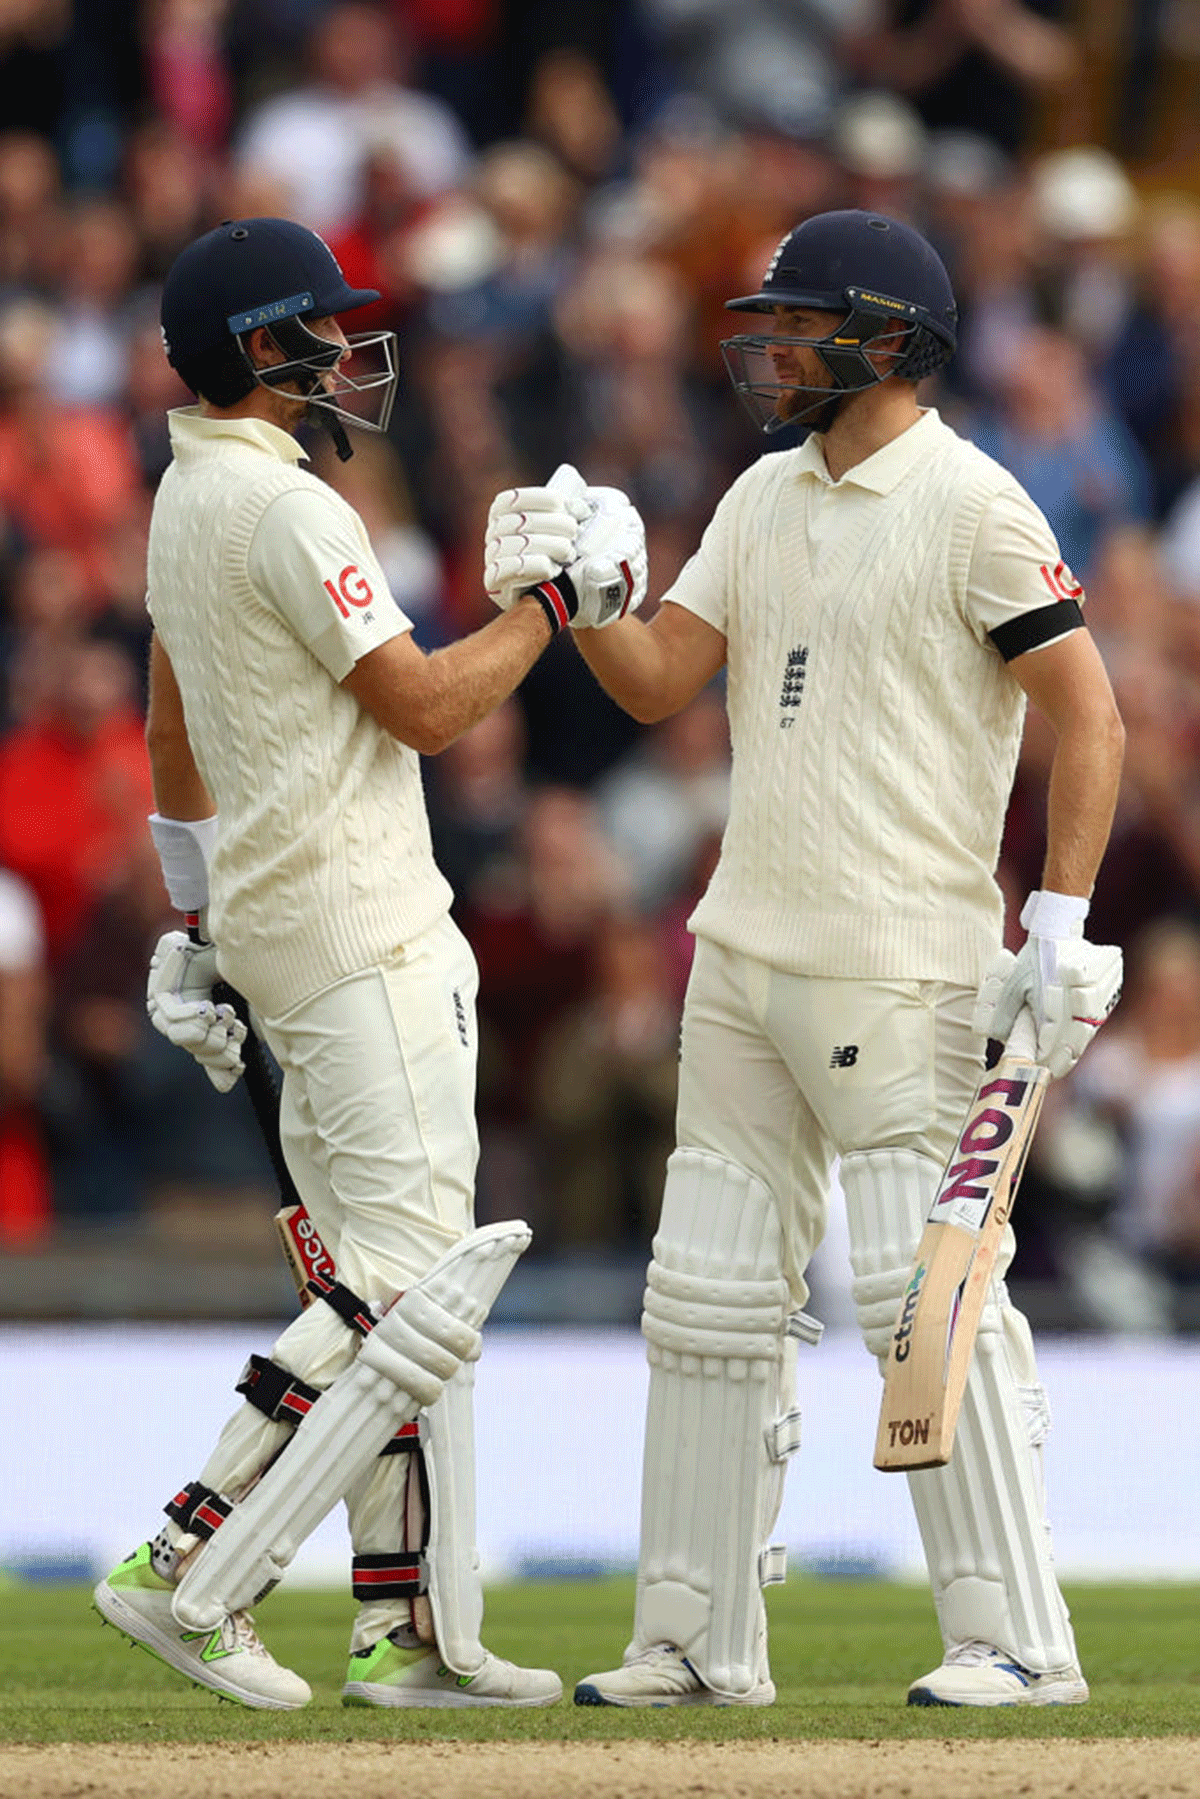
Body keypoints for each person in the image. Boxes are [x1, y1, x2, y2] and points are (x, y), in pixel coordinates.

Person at [487, 211, 1125, 1708]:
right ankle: (698, 1642)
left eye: (806, 323)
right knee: (706, 1300)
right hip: (742, 954)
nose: (774, 349)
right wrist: (588, 593)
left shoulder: (975, 503)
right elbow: (657, 681)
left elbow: (1090, 714)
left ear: (891, 339)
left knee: (931, 1297)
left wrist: (1057, 920)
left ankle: (1016, 1639)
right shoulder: (765, 492)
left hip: (905, 963)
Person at [92, 215, 643, 1711]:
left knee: (387, 1289)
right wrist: (554, 608)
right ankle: (189, 1561)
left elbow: (173, 724)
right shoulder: (290, 515)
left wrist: (196, 922)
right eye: (319, 333)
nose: (345, 355)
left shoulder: (183, 494)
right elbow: (422, 708)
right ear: (263, 350)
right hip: (363, 932)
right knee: (408, 1288)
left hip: (285, 941)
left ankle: (410, 1631)